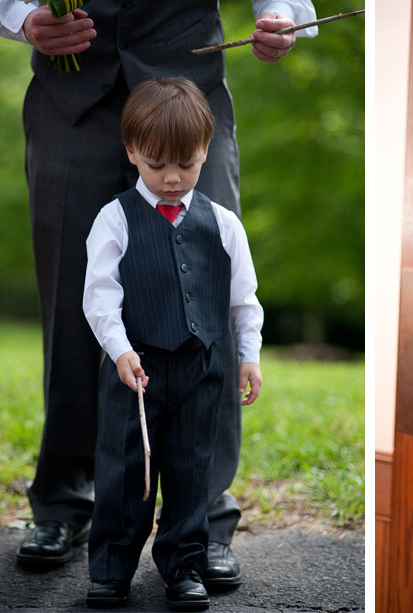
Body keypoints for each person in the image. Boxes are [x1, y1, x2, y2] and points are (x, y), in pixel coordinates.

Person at [0, 0, 316, 584]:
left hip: (189, 103)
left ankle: (201, 516)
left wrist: (283, 12)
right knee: (70, 302)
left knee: (209, 294)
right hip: (69, 103)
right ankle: (64, 501)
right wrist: (23, 16)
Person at [81, 76, 262, 609]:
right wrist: (119, 350)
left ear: (206, 151)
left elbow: (243, 298)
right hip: (133, 373)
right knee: (124, 469)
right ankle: (111, 567)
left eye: (186, 164)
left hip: (200, 370)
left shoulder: (224, 223)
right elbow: (99, 298)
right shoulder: (114, 219)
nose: (172, 177)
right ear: (132, 150)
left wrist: (248, 356)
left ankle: (185, 566)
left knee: (190, 469)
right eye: (158, 164)